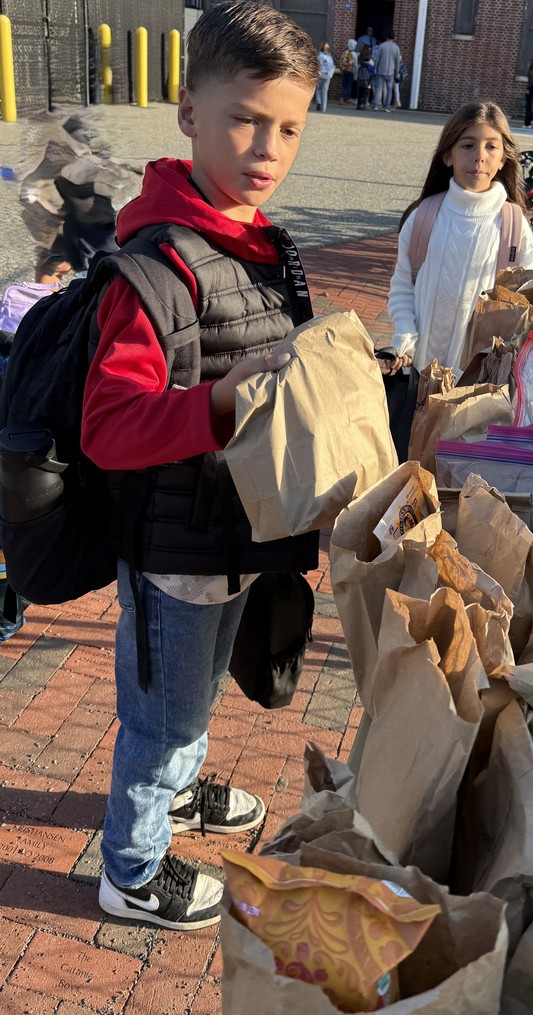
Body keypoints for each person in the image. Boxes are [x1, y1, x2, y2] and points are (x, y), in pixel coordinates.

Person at [81, 0, 321, 930]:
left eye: (289, 127)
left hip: (232, 537)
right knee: (159, 715)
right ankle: (131, 869)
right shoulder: (158, 264)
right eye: (244, 118)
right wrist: (225, 400)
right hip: (173, 553)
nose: (267, 147)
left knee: (198, 692)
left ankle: (176, 789)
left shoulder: (257, 244)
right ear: (188, 112)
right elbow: (111, 426)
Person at [382, 100, 533, 454]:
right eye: (467, 145)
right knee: (408, 462)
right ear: (448, 154)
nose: (478, 157)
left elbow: (520, 308)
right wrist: (405, 335)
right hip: (418, 376)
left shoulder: (514, 227)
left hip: (476, 387)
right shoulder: (424, 216)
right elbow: (403, 284)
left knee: (454, 476)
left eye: (490, 147)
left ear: (503, 159)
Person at [372, 31, 401, 112]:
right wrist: (397, 72)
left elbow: (377, 58)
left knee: (378, 88)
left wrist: (375, 67)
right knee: (389, 89)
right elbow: (397, 62)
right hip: (391, 72)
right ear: (394, 37)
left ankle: (376, 105)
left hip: (381, 70)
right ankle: (387, 106)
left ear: (387, 36)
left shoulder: (382, 46)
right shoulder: (396, 48)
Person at [316, 41, 335, 111]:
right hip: (328, 75)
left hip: (320, 74)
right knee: (325, 91)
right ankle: (323, 108)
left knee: (318, 89)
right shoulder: (329, 56)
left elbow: (317, 65)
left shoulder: (319, 55)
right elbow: (332, 66)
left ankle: (319, 101)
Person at [338, 38, 357, 105]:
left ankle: (341, 98)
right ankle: (347, 98)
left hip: (344, 70)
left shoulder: (345, 52)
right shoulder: (354, 54)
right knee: (349, 85)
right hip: (350, 71)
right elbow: (355, 65)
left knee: (344, 85)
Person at [355, 44, 374, 110]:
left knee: (360, 92)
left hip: (360, 77)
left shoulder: (359, 57)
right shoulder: (369, 60)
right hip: (367, 79)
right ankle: (364, 104)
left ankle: (358, 105)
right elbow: (372, 69)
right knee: (366, 92)